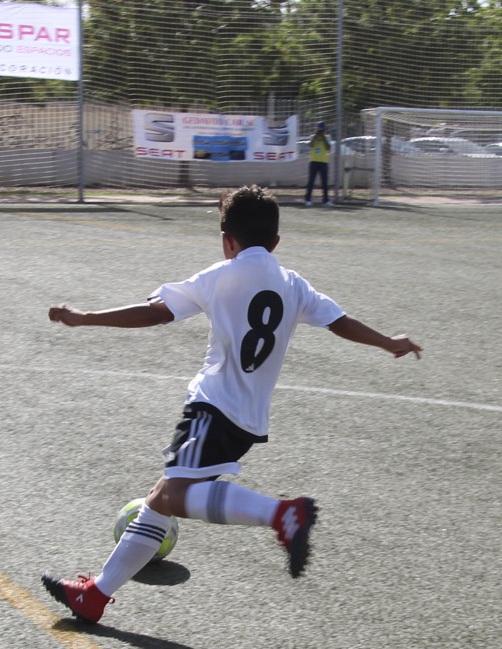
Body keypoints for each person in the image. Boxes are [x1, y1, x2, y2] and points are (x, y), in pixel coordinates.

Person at [42, 185, 423, 624]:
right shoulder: (293, 283)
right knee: (159, 499)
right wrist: (387, 342)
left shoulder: (219, 275)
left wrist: (85, 317)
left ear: (227, 239)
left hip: (213, 405)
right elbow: (339, 322)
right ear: (276, 242)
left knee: (173, 493)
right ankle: (95, 595)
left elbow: (155, 313)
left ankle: (282, 513)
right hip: (248, 418)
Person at [304, 121, 331, 206]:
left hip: (324, 162)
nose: (320, 131)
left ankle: (326, 200)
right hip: (314, 162)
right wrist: (315, 137)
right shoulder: (313, 136)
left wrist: (323, 138)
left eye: (322, 129)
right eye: (319, 129)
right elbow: (311, 145)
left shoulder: (327, 137)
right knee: (311, 181)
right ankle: (308, 199)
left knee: (325, 182)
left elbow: (328, 148)